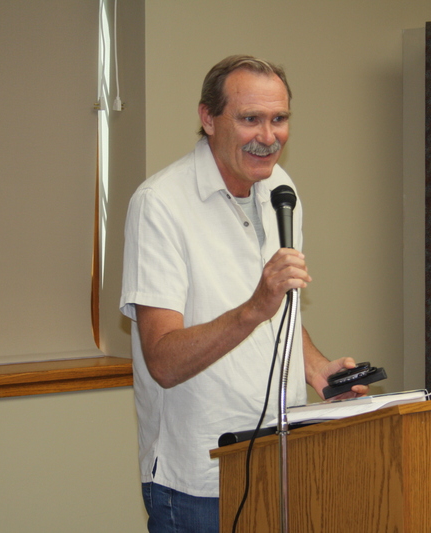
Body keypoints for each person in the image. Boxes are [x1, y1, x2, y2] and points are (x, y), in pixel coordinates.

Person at [120, 55, 368, 533]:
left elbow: (279, 308)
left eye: (279, 119)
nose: (268, 136)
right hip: (200, 482)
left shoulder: (280, 187)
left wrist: (318, 370)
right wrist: (254, 308)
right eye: (250, 119)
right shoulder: (160, 205)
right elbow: (163, 361)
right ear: (208, 119)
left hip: (284, 462)